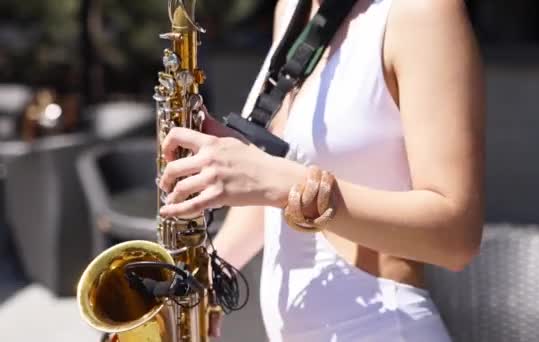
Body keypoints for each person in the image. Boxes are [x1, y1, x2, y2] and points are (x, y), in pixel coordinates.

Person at [158, 0, 485, 340]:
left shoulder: (421, 12)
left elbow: (457, 237)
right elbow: (273, 185)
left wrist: (280, 180)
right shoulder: (293, 8)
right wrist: (203, 278)